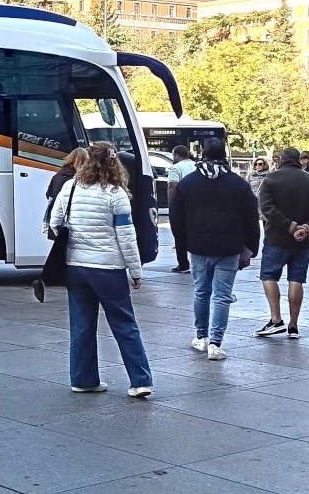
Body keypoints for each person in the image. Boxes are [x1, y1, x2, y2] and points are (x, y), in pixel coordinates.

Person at [49, 142, 153, 398]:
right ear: (115, 164)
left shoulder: (70, 187)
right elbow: (126, 237)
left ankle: (83, 379)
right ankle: (140, 381)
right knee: (124, 324)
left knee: (82, 325)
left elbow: (54, 224)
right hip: (108, 268)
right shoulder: (116, 194)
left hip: (75, 267)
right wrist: (136, 271)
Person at [169, 138, 260, 361]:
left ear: (203, 154)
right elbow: (251, 218)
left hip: (198, 247)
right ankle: (216, 343)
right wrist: (251, 248)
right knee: (222, 296)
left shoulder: (188, 183)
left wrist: (183, 240)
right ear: (225, 155)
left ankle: (201, 337)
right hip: (229, 248)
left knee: (201, 292)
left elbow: (176, 215)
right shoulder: (238, 184)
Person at [255, 147, 309, 339]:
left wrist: (291, 226)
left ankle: (275, 319)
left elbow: (267, 209)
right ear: (299, 160)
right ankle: (293, 326)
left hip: (277, 238)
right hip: (304, 241)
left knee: (269, 276)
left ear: (280, 160)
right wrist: (306, 228)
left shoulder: (270, 180)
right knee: (296, 279)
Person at [43, 148, 89, 239]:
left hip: (56, 219)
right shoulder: (76, 179)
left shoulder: (58, 175)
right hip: (71, 222)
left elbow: (48, 194)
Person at [166, 145, 197, 273]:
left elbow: (172, 187)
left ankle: (183, 263)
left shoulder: (175, 168)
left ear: (176, 155)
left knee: (179, 236)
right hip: (196, 206)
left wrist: (171, 205)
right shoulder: (196, 166)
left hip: (180, 206)